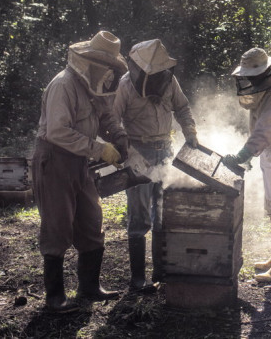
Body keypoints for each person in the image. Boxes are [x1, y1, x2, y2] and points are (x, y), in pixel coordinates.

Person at [31, 30, 128, 313]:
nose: (108, 71)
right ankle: (55, 297)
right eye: (105, 64)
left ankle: (88, 287)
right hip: (54, 159)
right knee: (58, 224)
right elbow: (57, 131)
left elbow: (107, 115)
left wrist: (119, 136)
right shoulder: (63, 85)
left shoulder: (93, 86)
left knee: (91, 218)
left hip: (79, 161)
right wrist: (100, 149)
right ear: (89, 61)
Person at [113, 39, 199, 292]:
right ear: (138, 69)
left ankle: (162, 271)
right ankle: (138, 279)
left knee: (164, 213)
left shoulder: (169, 81)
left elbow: (182, 107)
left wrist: (190, 130)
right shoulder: (125, 85)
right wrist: (128, 152)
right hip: (137, 152)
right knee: (139, 217)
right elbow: (113, 122)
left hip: (165, 150)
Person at [221, 48, 271, 283]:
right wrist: (249, 154)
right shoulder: (264, 92)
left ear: (266, 71)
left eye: (254, 74)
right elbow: (260, 130)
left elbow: (266, 129)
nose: (251, 79)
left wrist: (244, 153)